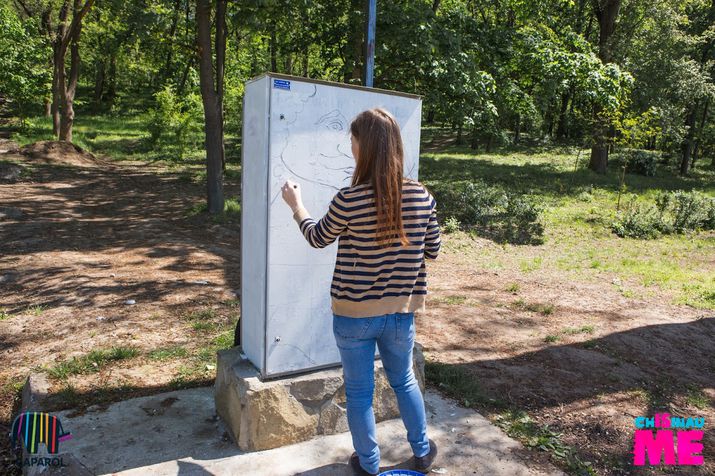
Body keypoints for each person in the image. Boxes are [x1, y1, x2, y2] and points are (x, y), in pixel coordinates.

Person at [281, 107, 440, 475]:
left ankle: (368, 464)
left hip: (354, 315)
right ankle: (421, 450)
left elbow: (318, 237)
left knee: (359, 392)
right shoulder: (422, 196)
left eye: (352, 140)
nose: (349, 146)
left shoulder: (348, 199)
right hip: (402, 313)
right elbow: (432, 249)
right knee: (404, 380)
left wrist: (296, 205)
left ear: (363, 147)